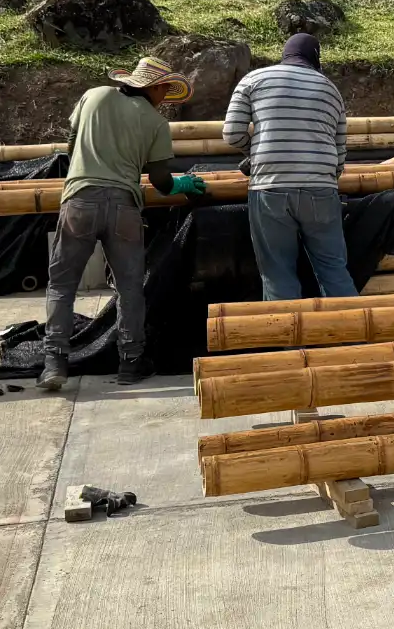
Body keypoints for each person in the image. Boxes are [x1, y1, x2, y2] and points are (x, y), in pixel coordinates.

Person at [39, 57, 206, 392]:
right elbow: (160, 180)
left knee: (62, 285)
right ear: (155, 87)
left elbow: (73, 145)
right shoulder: (156, 123)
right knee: (130, 289)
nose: (165, 99)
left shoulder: (94, 95)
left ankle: (54, 362)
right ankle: (130, 363)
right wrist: (184, 185)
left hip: (80, 201)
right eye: (165, 92)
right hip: (124, 208)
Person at [222, 31, 355, 301]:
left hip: (270, 189)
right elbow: (340, 152)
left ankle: (288, 342)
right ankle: (351, 337)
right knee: (333, 269)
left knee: (277, 273)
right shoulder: (331, 89)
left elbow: (232, 134)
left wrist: (258, 153)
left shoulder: (254, 79)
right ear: (314, 59)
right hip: (321, 189)